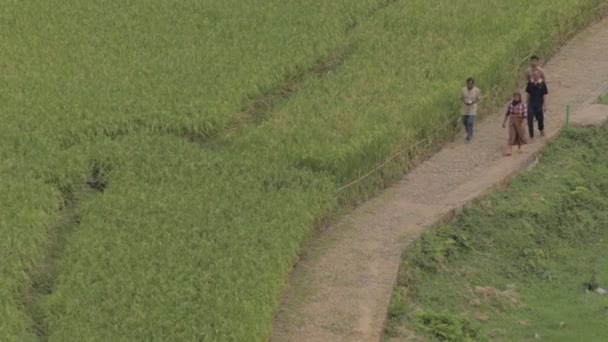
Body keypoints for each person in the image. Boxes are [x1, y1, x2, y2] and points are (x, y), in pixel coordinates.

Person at [502, 91, 527, 155]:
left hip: (520, 119)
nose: (516, 98)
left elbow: (525, 115)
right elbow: (507, 113)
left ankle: (520, 147)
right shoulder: (511, 104)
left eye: (517, 97)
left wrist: (523, 123)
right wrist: (504, 122)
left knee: (520, 134)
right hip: (512, 119)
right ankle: (509, 149)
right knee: (511, 134)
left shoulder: (523, 104)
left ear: (519, 97)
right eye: (515, 97)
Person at [525, 69, 548, 138]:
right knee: (530, 119)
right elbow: (528, 93)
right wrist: (526, 103)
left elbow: (544, 95)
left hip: (539, 104)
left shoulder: (542, 83)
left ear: (539, 75)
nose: (535, 76)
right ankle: (531, 135)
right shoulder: (530, 83)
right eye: (534, 74)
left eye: (536, 74)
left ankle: (541, 129)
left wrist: (544, 105)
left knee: (540, 119)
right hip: (531, 104)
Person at [460, 77, 481, 143]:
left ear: (473, 84)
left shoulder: (477, 90)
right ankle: (469, 131)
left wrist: (473, 102)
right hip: (465, 108)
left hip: (472, 108)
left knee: (470, 122)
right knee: (464, 121)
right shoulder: (463, 90)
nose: (469, 85)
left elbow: (478, 98)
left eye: (470, 84)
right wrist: (464, 102)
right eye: (468, 84)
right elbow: (461, 97)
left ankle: (469, 136)